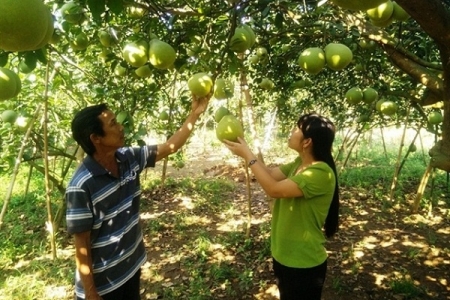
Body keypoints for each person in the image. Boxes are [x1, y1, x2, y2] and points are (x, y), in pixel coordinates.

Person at [65, 93, 210, 300]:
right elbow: (82, 243)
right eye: (113, 124)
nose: (120, 127)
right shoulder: (81, 185)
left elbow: (171, 146)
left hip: (130, 268)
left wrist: (194, 114)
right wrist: (90, 293)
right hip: (103, 285)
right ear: (96, 138)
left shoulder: (128, 158)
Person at [223, 112, 340, 300]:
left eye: (296, 129)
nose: (291, 131)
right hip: (283, 255)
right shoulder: (299, 163)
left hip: (304, 261)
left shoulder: (320, 172)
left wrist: (248, 155)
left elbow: (274, 189)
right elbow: (269, 174)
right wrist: (245, 152)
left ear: (307, 142)